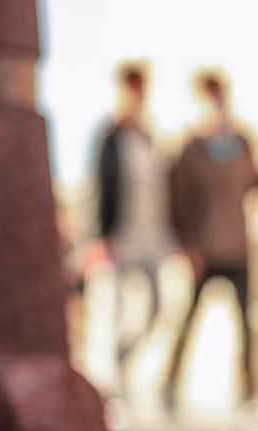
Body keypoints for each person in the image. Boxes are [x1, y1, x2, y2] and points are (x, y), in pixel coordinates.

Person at [166, 71, 258, 415]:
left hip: (237, 248)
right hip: (204, 250)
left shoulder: (243, 142)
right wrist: (187, 245)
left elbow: (256, 180)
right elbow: (178, 202)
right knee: (187, 320)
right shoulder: (190, 149)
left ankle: (249, 394)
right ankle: (169, 386)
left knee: (245, 324)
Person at [94, 64, 176, 385]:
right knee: (113, 307)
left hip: (152, 237)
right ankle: (112, 382)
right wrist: (101, 236)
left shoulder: (150, 137)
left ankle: (122, 358)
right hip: (120, 235)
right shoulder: (109, 137)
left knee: (157, 306)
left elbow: (163, 189)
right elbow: (100, 187)